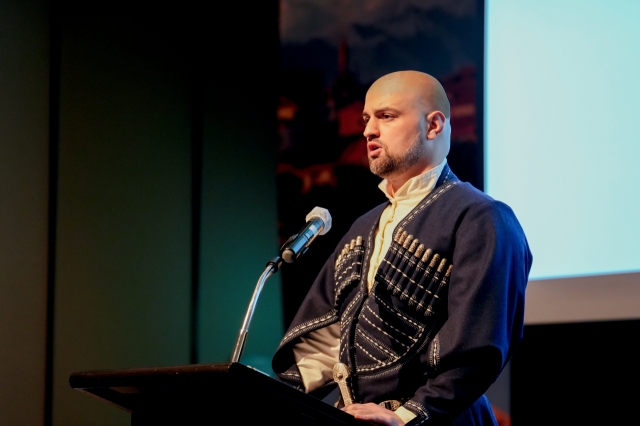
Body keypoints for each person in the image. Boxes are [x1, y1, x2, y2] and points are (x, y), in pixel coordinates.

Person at [272, 70, 532, 426]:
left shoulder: (482, 218)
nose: (368, 130)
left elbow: (480, 348)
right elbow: (330, 340)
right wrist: (266, 397)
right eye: (366, 118)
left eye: (386, 116)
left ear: (434, 125)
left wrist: (408, 415)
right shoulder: (364, 227)